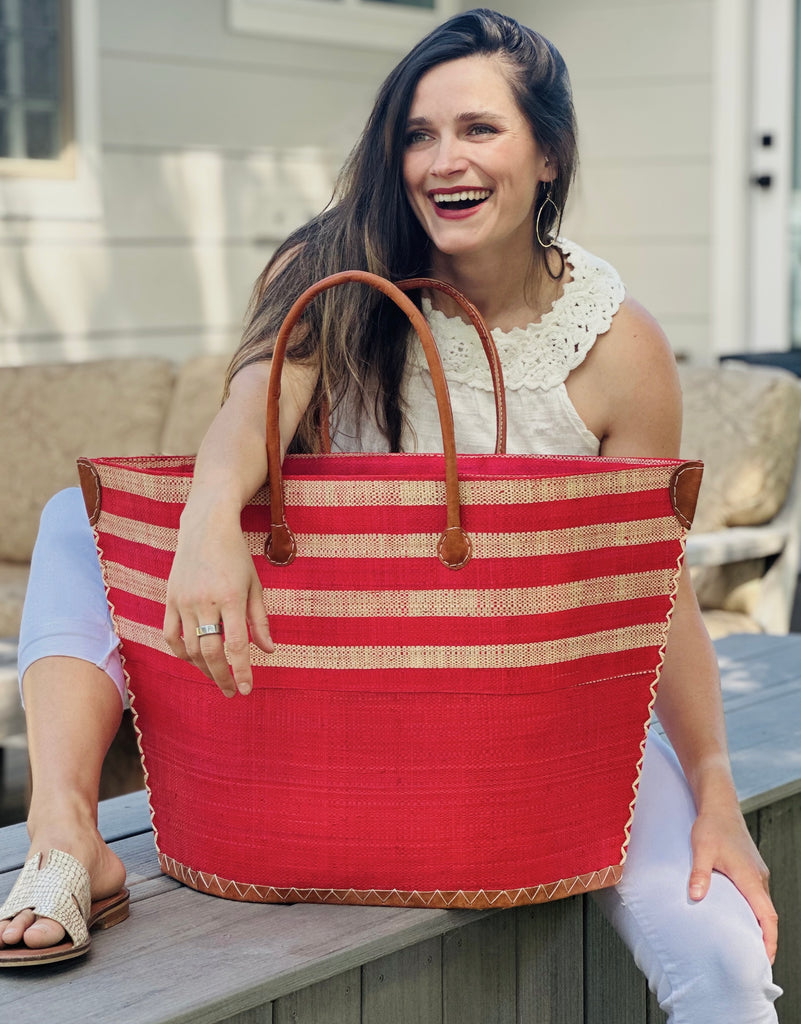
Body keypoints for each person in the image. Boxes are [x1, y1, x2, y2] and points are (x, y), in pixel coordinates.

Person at [0, 8, 781, 1019]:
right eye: (417, 133)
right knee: (75, 517)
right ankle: (66, 836)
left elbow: (649, 580)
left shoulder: (619, 344)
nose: (441, 159)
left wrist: (714, 777)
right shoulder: (336, 272)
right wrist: (205, 521)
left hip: (535, 733)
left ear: (548, 154)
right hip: (335, 698)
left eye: (479, 128)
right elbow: (253, 409)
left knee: (721, 960)